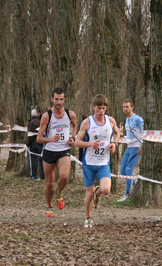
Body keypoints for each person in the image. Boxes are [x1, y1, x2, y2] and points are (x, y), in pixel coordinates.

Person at [75, 94, 120, 228]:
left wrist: (114, 143)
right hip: (89, 163)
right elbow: (77, 142)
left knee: (106, 190)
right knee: (88, 194)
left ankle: (98, 193)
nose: (101, 111)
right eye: (99, 108)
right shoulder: (87, 122)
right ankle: (88, 218)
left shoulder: (110, 121)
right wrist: (89, 144)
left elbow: (117, 133)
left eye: (104, 108)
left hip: (103, 163)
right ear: (93, 107)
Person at [37, 87, 77, 218]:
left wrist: (73, 138)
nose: (58, 102)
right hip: (49, 151)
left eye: (61, 99)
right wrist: (50, 139)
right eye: (56, 99)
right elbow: (39, 138)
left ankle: (59, 194)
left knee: (64, 177)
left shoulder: (70, 114)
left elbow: (75, 126)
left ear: (64, 99)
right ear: (51, 99)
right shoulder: (46, 116)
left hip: (64, 150)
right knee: (49, 184)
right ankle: (49, 206)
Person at [117, 99, 143, 202]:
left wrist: (142, 146)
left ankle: (127, 194)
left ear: (132, 107)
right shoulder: (127, 120)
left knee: (128, 170)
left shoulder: (138, 119)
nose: (125, 109)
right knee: (123, 171)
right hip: (129, 146)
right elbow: (128, 134)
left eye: (127, 106)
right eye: (124, 107)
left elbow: (143, 132)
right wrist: (121, 140)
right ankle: (135, 182)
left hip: (137, 147)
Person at [27, 108, 41, 180]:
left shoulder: (32, 122)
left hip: (34, 143)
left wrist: (28, 143)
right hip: (40, 143)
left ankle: (34, 175)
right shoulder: (39, 121)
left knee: (33, 160)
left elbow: (30, 135)